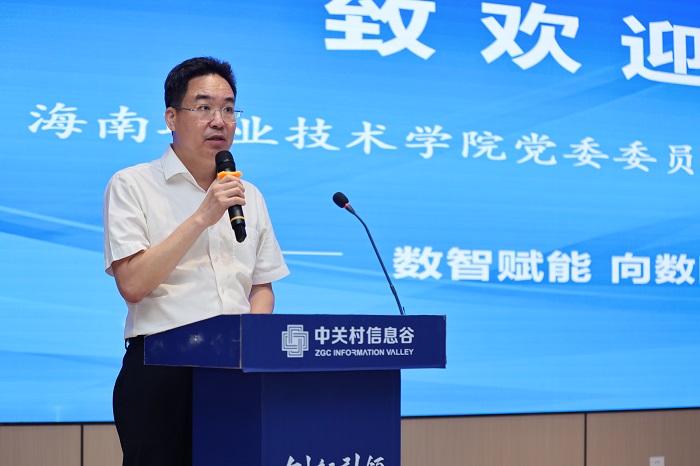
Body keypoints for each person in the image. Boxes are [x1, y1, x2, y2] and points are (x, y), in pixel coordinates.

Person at [103, 57, 289, 466]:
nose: (219, 121)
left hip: (236, 371)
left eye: (229, 109)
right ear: (171, 117)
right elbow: (132, 284)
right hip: (161, 369)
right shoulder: (133, 184)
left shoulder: (250, 195)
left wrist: (252, 345)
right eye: (204, 107)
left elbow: (261, 286)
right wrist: (203, 216)